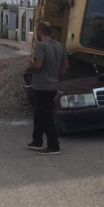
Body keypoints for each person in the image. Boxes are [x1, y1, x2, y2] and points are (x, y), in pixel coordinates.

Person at [26, 21, 69, 155]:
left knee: (46, 116)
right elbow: (66, 65)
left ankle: (54, 145)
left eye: (37, 32)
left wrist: (30, 67)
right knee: (39, 113)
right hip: (52, 85)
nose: (37, 34)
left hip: (42, 86)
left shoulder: (41, 46)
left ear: (40, 32)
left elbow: (38, 65)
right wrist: (58, 77)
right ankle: (37, 141)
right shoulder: (60, 46)